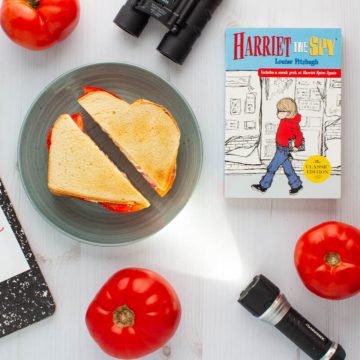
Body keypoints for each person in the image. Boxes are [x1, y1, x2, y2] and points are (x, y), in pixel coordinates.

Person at [252, 97, 303, 195]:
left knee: (272, 167)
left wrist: (297, 146)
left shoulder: (293, 123)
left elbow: (299, 135)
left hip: (283, 150)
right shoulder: (284, 120)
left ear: (289, 112)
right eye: (278, 110)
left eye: (281, 111)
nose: (278, 113)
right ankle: (296, 185)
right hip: (280, 147)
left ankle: (263, 186)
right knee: (288, 168)